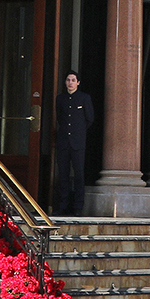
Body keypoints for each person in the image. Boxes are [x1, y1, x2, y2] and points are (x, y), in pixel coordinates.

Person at [52, 71, 94, 217]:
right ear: (65, 82)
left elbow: (89, 119)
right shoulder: (60, 99)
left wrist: (78, 132)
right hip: (63, 142)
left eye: (73, 80)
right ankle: (62, 206)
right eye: (68, 80)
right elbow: (60, 118)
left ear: (78, 82)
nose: (70, 82)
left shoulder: (84, 98)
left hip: (78, 142)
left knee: (78, 175)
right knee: (63, 174)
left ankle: (78, 207)